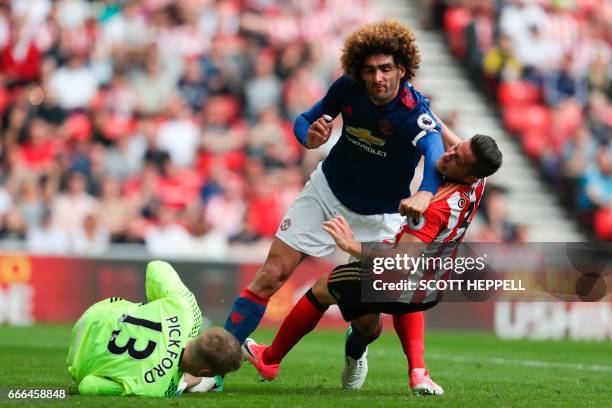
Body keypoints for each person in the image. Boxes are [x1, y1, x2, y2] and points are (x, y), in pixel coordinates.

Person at [224, 18, 446, 371]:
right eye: (370, 69)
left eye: (386, 69)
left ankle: (357, 350)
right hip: (326, 193)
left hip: (381, 218)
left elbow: (436, 154)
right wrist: (308, 137)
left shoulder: (414, 113)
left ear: (402, 69)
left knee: (368, 323)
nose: (377, 78)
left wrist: (425, 192)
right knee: (271, 275)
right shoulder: (347, 89)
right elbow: (304, 120)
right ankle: (218, 367)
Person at [242, 133, 503, 395]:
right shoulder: (477, 182)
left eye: (457, 158)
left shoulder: (432, 208)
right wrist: (425, 114)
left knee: (322, 289)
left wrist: (352, 245)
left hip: (398, 277)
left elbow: (402, 261)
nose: (448, 153)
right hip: (432, 286)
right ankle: (418, 373)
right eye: (456, 147)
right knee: (379, 314)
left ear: (470, 174)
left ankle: (269, 360)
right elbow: (453, 142)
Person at [66, 260, 243, 397]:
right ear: (204, 372)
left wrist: (155, 311)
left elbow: (156, 266)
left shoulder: (189, 312)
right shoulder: (159, 388)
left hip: (98, 312)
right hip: (77, 356)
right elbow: (89, 386)